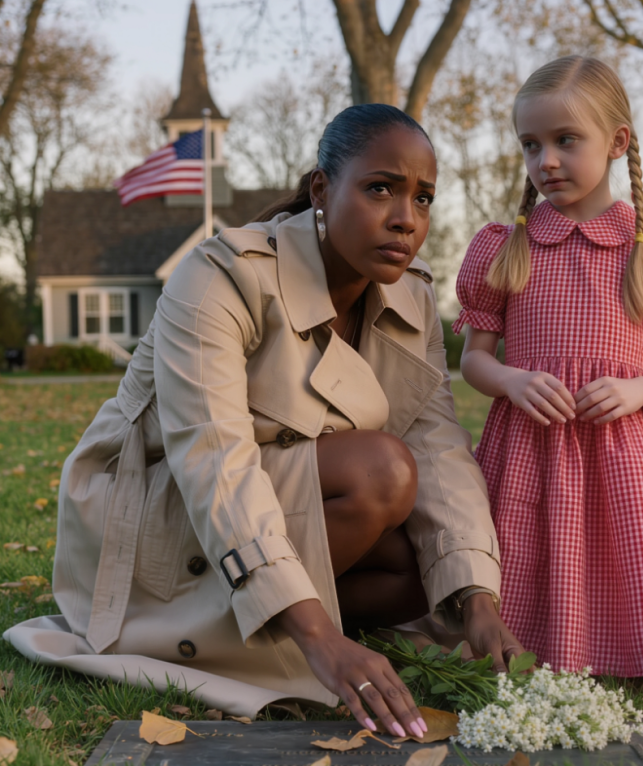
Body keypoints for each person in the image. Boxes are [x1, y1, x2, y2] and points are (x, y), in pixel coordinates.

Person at [5, 104, 524, 737]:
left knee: (428, 569)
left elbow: (439, 445)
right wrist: (317, 635)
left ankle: (268, 618)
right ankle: (256, 626)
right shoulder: (219, 276)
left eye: (423, 198)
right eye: (380, 188)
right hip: (161, 521)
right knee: (381, 471)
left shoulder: (411, 296)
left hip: (276, 509)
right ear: (321, 191)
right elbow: (212, 459)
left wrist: (478, 598)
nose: (405, 219)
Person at [453, 56, 643, 676]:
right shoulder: (506, 250)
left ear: (616, 143)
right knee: (526, 546)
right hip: (528, 442)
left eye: (565, 141)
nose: (546, 161)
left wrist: (641, 389)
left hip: (620, 443)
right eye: (531, 145)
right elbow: (476, 360)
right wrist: (511, 379)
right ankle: (521, 645)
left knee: (628, 549)